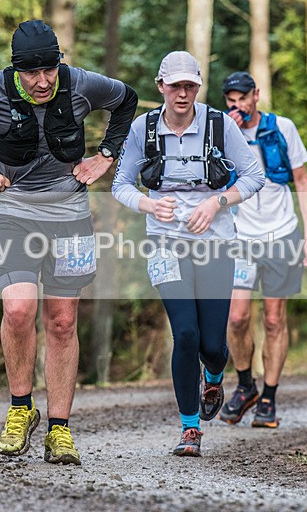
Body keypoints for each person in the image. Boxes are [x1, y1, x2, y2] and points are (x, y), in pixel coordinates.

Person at [0, 20, 137, 465]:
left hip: (70, 213)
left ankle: (59, 430)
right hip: (12, 211)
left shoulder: (80, 84)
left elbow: (126, 101)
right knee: (18, 310)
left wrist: (106, 156)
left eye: (49, 71)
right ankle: (21, 408)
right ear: (16, 69)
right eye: (31, 73)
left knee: (62, 321)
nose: (42, 82)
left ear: (59, 64)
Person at [112, 52, 264, 456]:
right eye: (175, 86)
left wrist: (218, 202)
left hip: (215, 242)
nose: (182, 93)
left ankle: (215, 374)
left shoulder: (218, 125)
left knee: (213, 343)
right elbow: (121, 184)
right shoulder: (142, 129)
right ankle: (190, 428)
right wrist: (148, 205)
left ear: (198, 87)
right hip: (164, 243)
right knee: (186, 333)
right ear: (160, 86)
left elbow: (254, 176)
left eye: (190, 86)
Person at [218, 71, 307, 428]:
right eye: (231, 99)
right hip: (240, 238)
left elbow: (303, 181)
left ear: (256, 96)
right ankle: (246, 386)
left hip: (281, 236)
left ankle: (269, 399)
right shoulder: (220, 132)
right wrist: (226, 137)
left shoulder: (283, 128)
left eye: (242, 98)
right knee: (237, 317)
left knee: (275, 319)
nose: (237, 105)